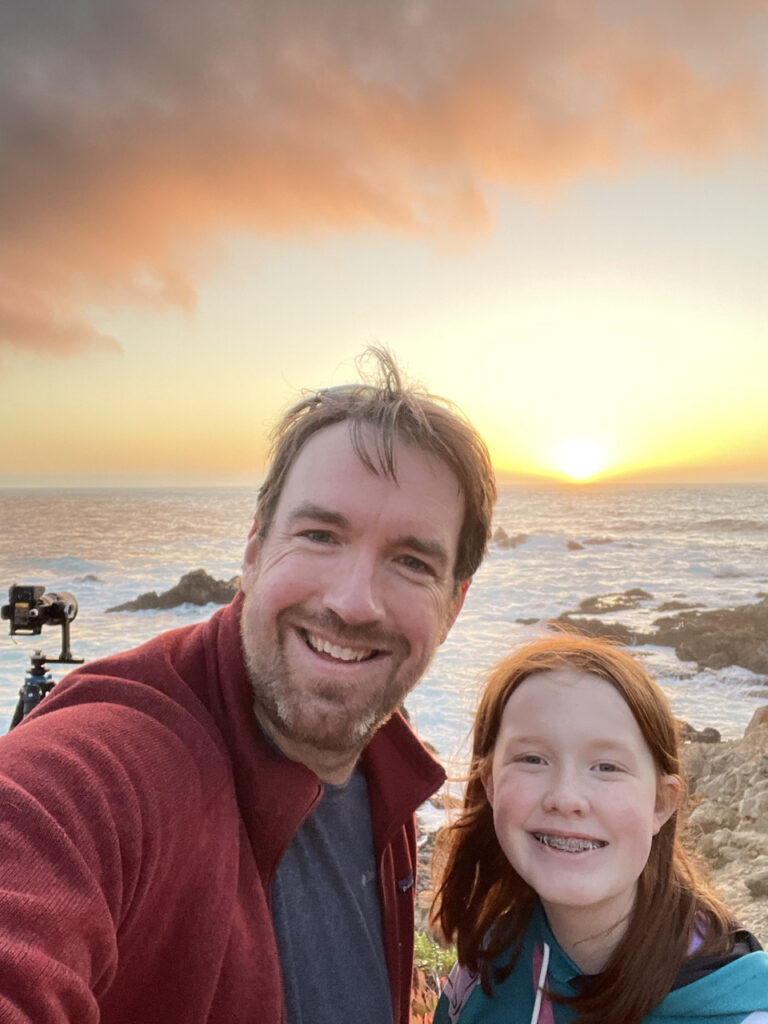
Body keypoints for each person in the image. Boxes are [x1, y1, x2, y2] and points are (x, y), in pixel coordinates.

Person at [0, 348, 496, 1024]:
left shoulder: (384, 766)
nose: (354, 603)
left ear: (454, 602)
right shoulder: (118, 762)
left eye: (411, 561)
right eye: (321, 535)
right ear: (254, 552)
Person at [432, 634, 768, 1024]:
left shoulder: (742, 1011)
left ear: (661, 802)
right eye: (532, 759)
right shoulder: (483, 971)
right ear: (489, 783)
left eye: (606, 767)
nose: (566, 797)